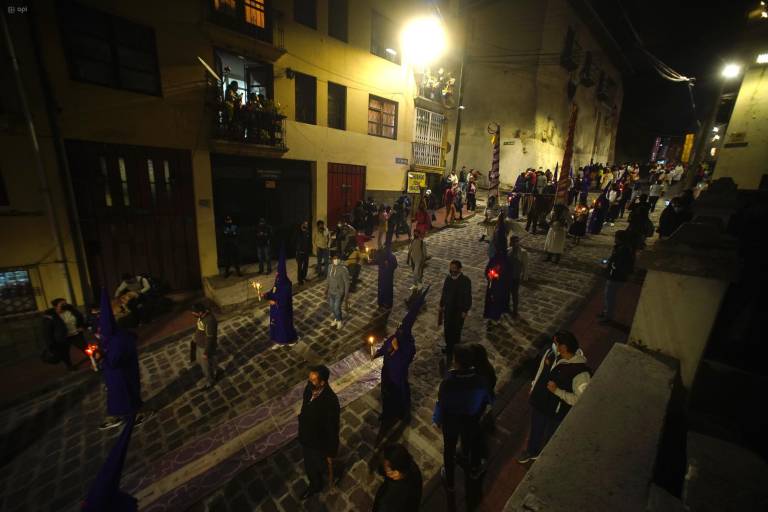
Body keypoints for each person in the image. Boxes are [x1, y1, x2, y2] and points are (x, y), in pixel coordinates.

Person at [518, 331, 591, 463]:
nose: (553, 345)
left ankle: (546, 456)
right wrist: (534, 386)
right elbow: (541, 370)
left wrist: (557, 391)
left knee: (551, 435)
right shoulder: (551, 354)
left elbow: (580, 400)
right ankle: (532, 452)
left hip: (556, 411)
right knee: (536, 430)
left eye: (556, 343)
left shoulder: (580, 373)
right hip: (540, 402)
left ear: (563, 347)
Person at [433, 345, 492, 492]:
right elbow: (488, 399)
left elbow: (442, 404)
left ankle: (450, 481)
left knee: (449, 449)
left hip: (451, 422)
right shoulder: (480, 381)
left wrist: (437, 420)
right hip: (470, 420)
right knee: (470, 442)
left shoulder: (448, 383)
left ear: (457, 363)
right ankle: (470, 464)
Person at [373, 287, 427, 434]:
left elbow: (406, 360)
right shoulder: (395, 337)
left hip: (398, 378)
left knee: (400, 397)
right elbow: (385, 346)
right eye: (398, 328)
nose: (398, 331)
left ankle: (403, 414)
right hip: (387, 374)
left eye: (401, 330)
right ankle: (386, 413)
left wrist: (397, 349)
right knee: (386, 396)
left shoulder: (408, 345)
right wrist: (378, 353)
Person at [96, 289, 146, 431]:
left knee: (126, 394)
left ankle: (135, 415)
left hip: (121, 373)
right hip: (117, 374)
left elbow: (114, 360)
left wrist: (101, 358)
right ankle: (118, 415)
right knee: (117, 396)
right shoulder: (117, 336)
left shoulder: (119, 339)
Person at [298, 365, 341, 500]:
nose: (309, 382)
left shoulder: (330, 401)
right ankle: (316, 484)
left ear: (322, 382)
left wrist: (331, 451)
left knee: (317, 463)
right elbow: (305, 406)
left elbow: (332, 429)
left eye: (313, 380)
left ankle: (322, 481)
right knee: (310, 464)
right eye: (309, 379)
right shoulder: (309, 388)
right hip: (306, 437)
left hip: (318, 442)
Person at [438, 260, 472, 367]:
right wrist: (441, 304)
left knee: (456, 331)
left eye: (454, 268)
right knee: (447, 329)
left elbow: (468, 297)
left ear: (459, 269)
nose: (452, 270)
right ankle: (449, 347)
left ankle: (455, 350)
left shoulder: (465, 281)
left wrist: (465, 310)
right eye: (451, 268)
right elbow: (444, 292)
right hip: (448, 309)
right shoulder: (448, 279)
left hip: (459, 311)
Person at [599, 230, 635, 324]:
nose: (614, 239)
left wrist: (610, 266)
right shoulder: (621, 247)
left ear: (620, 239)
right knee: (607, 295)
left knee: (610, 296)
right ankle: (605, 312)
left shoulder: (624, 250)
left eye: (616, 237)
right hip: (614, 275)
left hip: (616, 277)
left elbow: (618, 264)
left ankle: (608, 317)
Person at [372, 444, 423, 512]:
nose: (385, 470)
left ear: (395, 473)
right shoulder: (411, 466)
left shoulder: (389, 499)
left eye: (386, 469)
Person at [264, 248, 299, 346]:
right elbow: (273, 290)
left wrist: (275, 302)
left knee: (284, 326)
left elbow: (285, 299)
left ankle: (289, 340)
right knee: (276, 326)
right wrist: (266, 295)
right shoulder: (278, 281)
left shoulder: (286, 285)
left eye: (278, 272)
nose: (276, 274)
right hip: (275, 310)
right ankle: (278, 341)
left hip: (283, 310)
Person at [42, 298, 87, 371]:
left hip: (75, 334)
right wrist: (50, 343)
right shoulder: (50, 316)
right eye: (62, 304)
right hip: (63, 338)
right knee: (65, 354)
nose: (65, 305)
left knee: (85, 348)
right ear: (55, 306)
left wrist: (82, 326)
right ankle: (69, 366)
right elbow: (47, 330)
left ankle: (94, 360)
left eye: (65, 303)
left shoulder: (71, 310)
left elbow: (80, 318)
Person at [484, 216, 510, 320]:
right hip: (494, 284)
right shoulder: (495, 260)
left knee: (497, 300)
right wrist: (491, 275)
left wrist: (495, 275)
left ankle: (495, 315)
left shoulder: (501, 261)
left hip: (499, 286)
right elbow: (488, 272)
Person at [191, 302, 218, 389]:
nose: (193, 314)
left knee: (205, 366)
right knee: (200, 360)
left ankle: (210, 381)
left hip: (204, 347)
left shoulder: (209, 321)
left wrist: (206, 352)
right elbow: (200, 327)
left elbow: (210, 338)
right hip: (199, 344)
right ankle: (215, 370)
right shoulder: (202, 316)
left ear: (200, 312)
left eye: (194, 313)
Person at [507, 235, 529, 318]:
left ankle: (515, 310)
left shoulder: (523, 252)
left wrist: (524, 277)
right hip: (507, 277)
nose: (513, 243)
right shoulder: (508, 250)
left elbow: (525, 266)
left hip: (515, 277)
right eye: (512, 241)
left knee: (514, 294)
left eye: (515, 241)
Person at [326, 255, 350, 330]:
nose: (335, 260)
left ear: (339, 260)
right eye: (334, 259)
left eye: (337, 259)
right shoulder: (329, 267)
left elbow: (347, 283)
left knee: (336, 308)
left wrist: (346, 295)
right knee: (332, 307)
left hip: (339, 292)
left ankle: (339, 321)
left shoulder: (343, 269)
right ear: (332, 260)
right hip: (331, 291)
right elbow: (328, 278)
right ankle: (336, 318)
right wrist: (326, 289)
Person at [376, 243, 398, 309]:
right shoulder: (392, 256)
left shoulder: (381, 255)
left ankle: (381, 302)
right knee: (388, 290)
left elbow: (377, 262)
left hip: (382, 276)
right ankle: (387, 303)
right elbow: (395, 265)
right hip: (388, 277)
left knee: (382, 289)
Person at [295, 221, 312, 285]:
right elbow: (295, 241)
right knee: (300, 267)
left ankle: (304, 277)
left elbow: (308, 242)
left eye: (307, 224)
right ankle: (300, 280)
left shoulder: (307, 232)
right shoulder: (298, 233)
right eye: (305, 224)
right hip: (300, 253)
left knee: (305, 266)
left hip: (306, 252)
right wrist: (298, 250)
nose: (306, 225)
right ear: (302, 225)